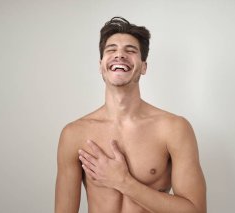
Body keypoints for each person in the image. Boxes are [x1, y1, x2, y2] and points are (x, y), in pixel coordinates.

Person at [55, 17, 206, 213]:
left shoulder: (174, 128)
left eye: (130, 50)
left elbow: (196, 211)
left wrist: (124, 182)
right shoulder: (74, 134)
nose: (120, 55)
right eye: (111, 50)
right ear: (101, 65)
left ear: (143, 67)